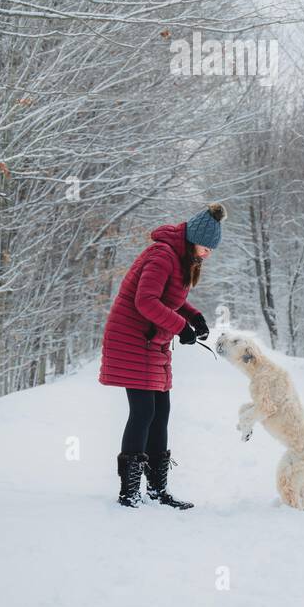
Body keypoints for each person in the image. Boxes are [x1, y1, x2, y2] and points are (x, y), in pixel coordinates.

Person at [98, 203, 226, 509]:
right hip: (133, 339)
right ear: (192, 237)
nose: (206, 254)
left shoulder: (181, 256)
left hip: (152, 342)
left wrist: (193, 317)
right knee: (143, 413)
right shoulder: (162, 255)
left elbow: (169, 298)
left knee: (160, 413)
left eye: (211, 250)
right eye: (204, 247)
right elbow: (146, 301)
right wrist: (181, 327)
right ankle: (129, 493)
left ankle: (157, 490)